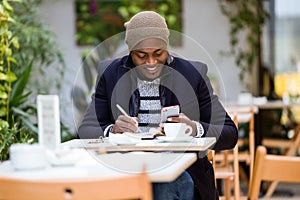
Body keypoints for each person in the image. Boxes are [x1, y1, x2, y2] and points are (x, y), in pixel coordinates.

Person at [78, 11, 238, 200]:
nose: (151, 62)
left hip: (180, 171)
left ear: (166, 48)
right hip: (127, 169)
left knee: (167, 185)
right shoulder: (111, 73)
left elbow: (229, 133)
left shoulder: (193, 74)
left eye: (158, 53)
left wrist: (194, 128)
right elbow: (85, 129)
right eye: (141, 55)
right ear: (130, 52)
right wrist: (112, 130)